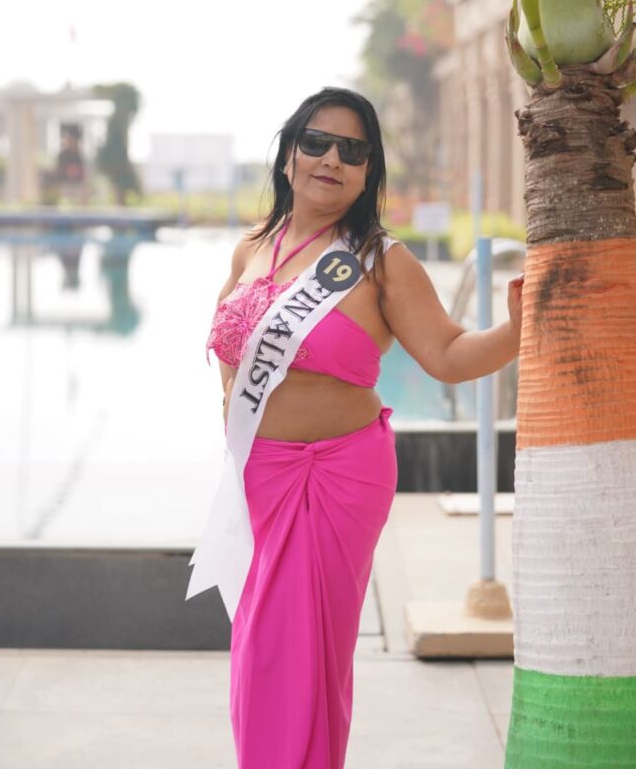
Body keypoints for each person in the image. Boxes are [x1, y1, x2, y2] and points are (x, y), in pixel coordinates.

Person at [187, 86, 523, 769]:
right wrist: (233, 412)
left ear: (369, 171)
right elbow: (229, 349)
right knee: (260, 648)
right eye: (316, 142)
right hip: (261, 474)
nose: (331, 159)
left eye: (353, 150)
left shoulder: (379, 259)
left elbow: (450, 356)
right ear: (288, 155)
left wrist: (520, 329)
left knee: (304, 651)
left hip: (337, 473)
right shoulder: (250, 247)